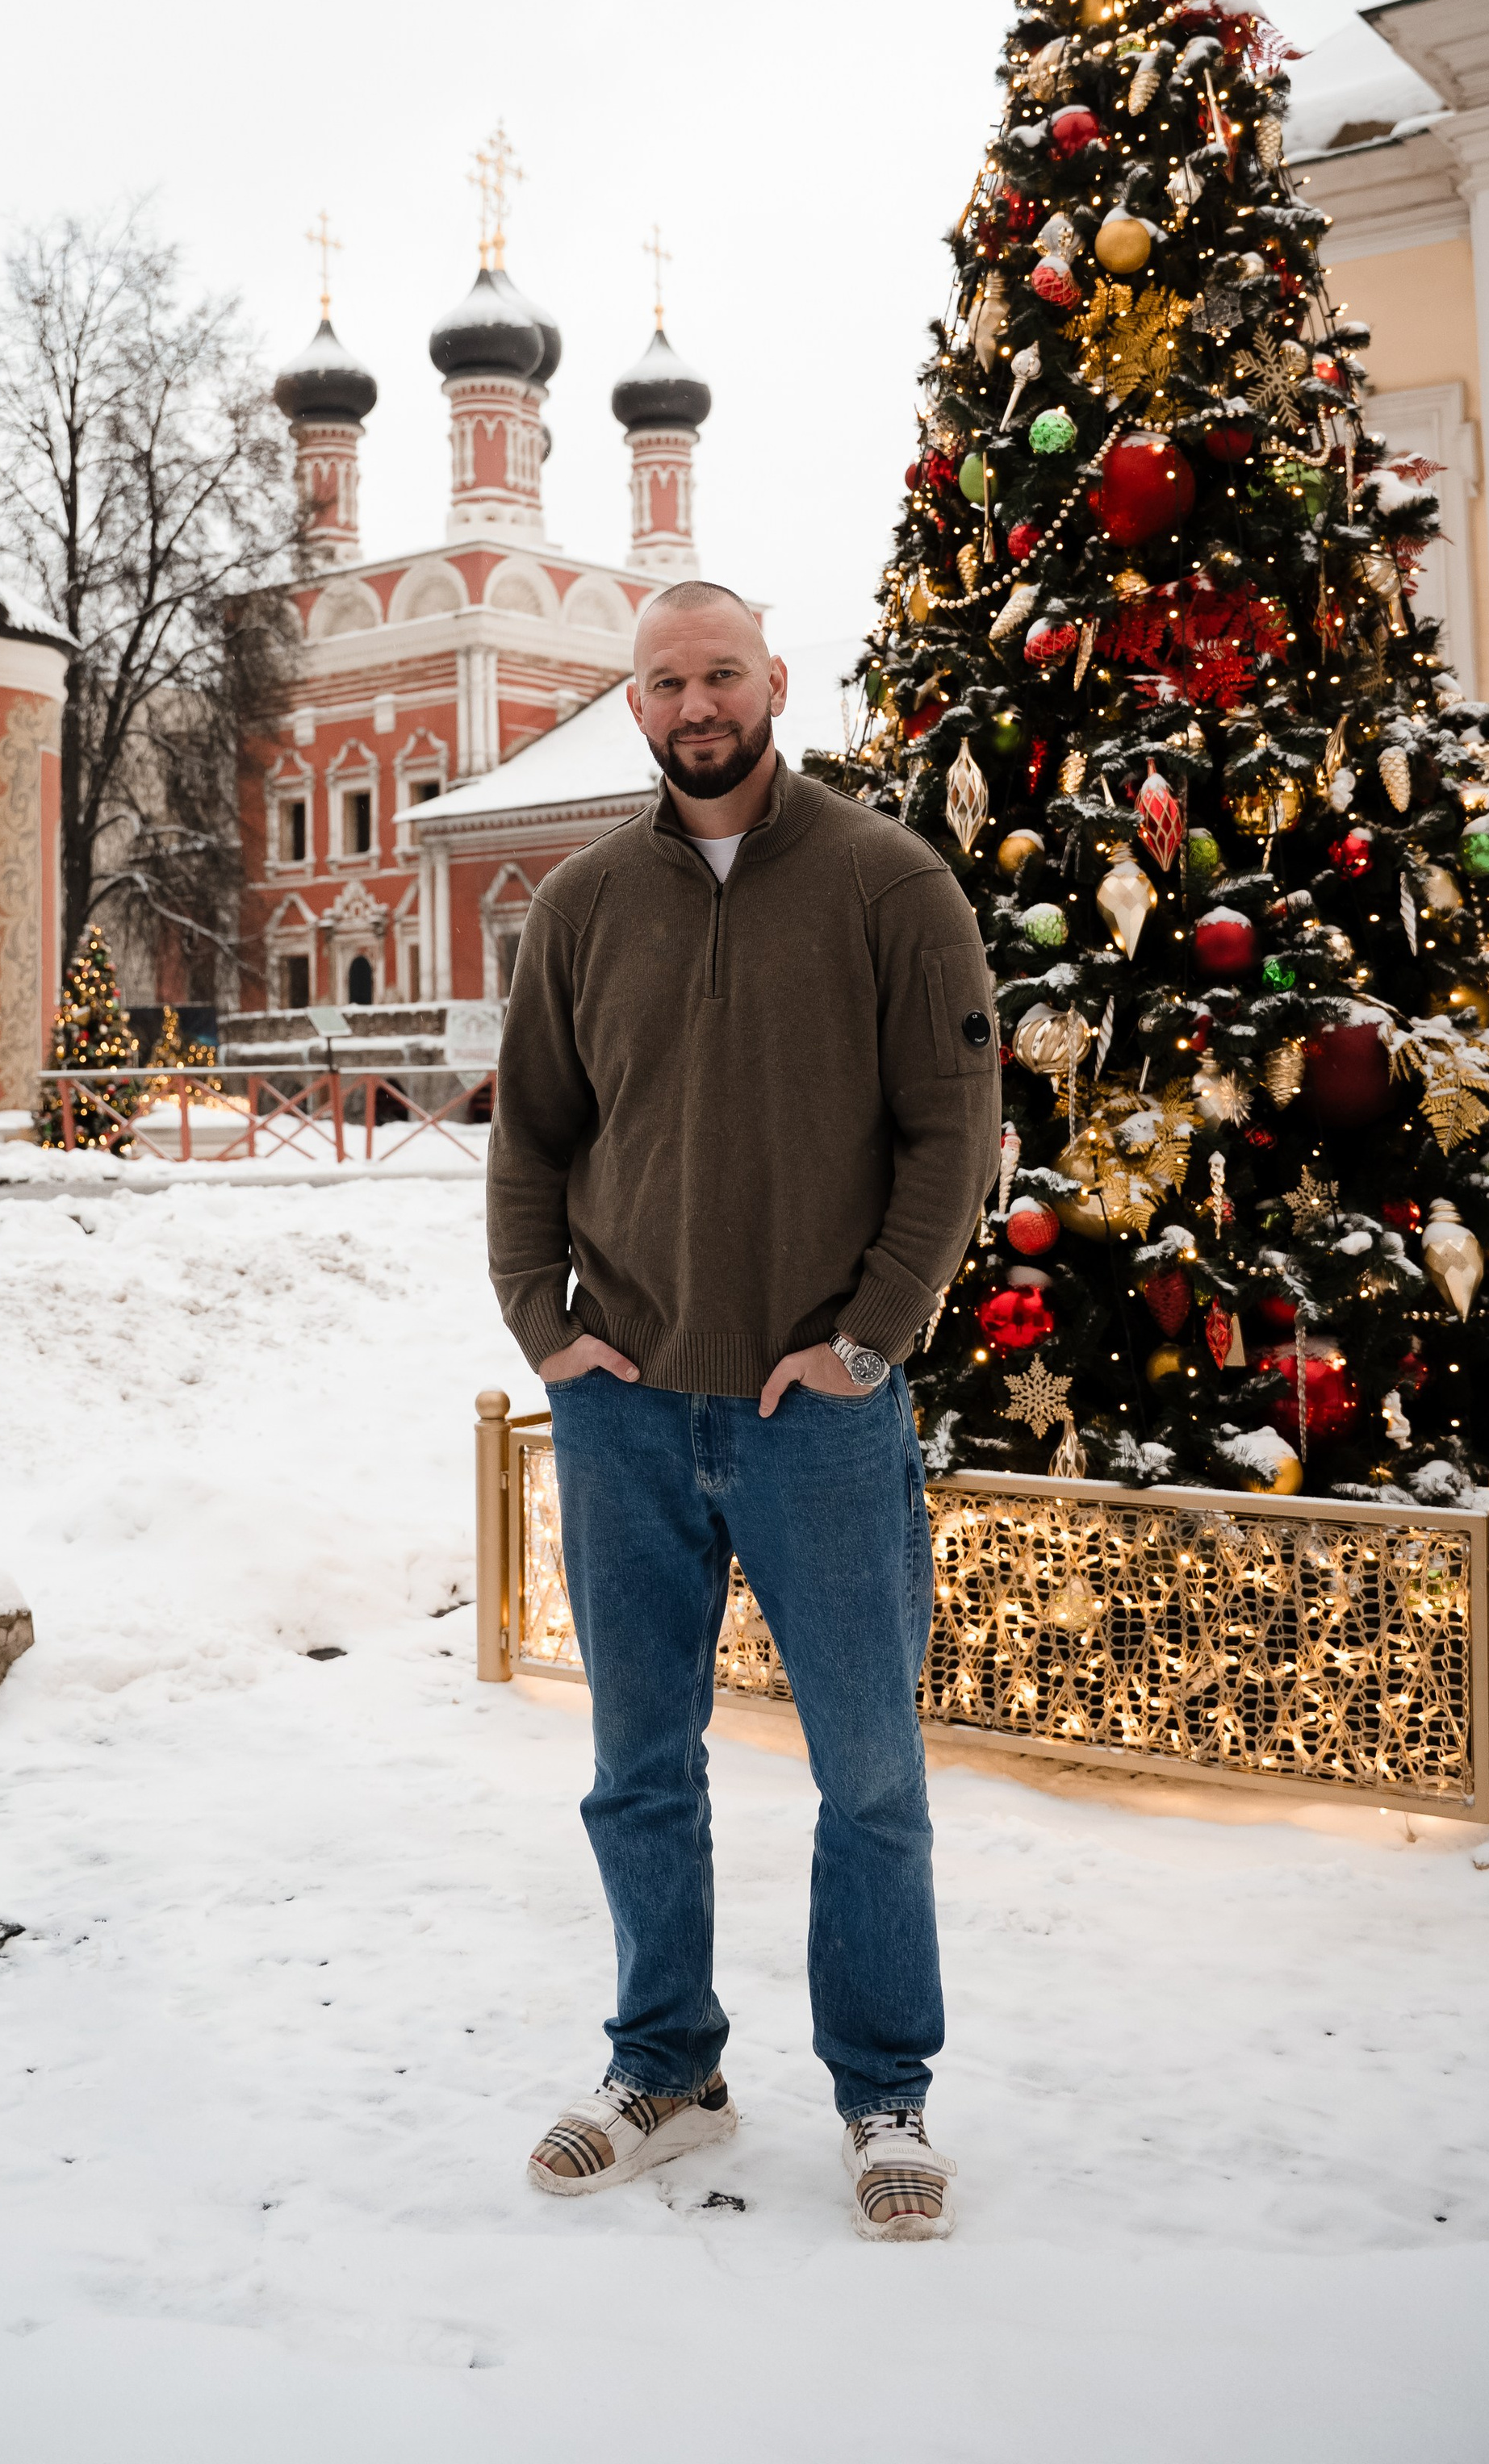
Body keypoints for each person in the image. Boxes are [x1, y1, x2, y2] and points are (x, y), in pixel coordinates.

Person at [487, 582, 1001, 2241]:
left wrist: (867, 1337)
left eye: (717, 674)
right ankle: (665, 2069)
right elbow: (532, 1139)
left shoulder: (885, 883)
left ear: (773, 681)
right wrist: (541, 1327)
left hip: (818, 1416)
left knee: (867, 1776)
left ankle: (881, 2093)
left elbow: (950, 1127)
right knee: (638, 1766)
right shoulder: (578, 903)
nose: (693, 704)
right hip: (625, 1407)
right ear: (631, 707)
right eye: (662, 682)